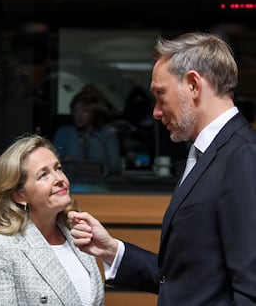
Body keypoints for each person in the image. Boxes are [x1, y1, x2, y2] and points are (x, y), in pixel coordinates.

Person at [68, 32, 256, 305]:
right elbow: (186, 278)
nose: (156, 111)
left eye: (160, 94)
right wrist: (111, 250)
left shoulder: (244, 156)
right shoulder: (206, 153)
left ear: (193, 84)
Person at [0, 134, 104, 306]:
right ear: (19, 195)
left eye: (58, 168)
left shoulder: (78, 236)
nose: (59, 179)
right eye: (44, 175)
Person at [53, 84, 120, 176]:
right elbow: (54, 164)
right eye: (76, 111)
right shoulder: (63, 133)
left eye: (85, 111)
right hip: (71, 183)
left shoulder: (107, 134)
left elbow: (114, 165)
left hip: (102, 184)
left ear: (94, 113)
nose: (79, 115)